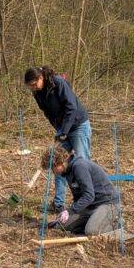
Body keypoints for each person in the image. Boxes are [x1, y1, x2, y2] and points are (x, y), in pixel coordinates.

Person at [25, 66, 91, 212]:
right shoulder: (37, 93)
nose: (33, 88)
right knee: (57, 164)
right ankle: (58, 204)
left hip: (78, 125)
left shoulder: (58, 83)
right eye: (30, 87)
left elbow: (71, 107)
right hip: (63, 129)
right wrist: (59, 130)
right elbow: (48, 113)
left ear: (40, 77)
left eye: (34, 85)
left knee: (82, 163)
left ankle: (86, 203)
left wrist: (65, 131)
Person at [41, 145, 120, 236]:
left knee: (91, 231)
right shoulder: (67, 172)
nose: (53, 172)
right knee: (62, 226)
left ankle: (115, 221)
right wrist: (68, 212)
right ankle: (93, 220)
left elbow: (89, 195)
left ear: (61, 162)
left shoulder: (79, 167)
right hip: (90, 206)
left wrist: (70, 211)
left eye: (53, 168)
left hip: (107, 203)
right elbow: (78, 196)